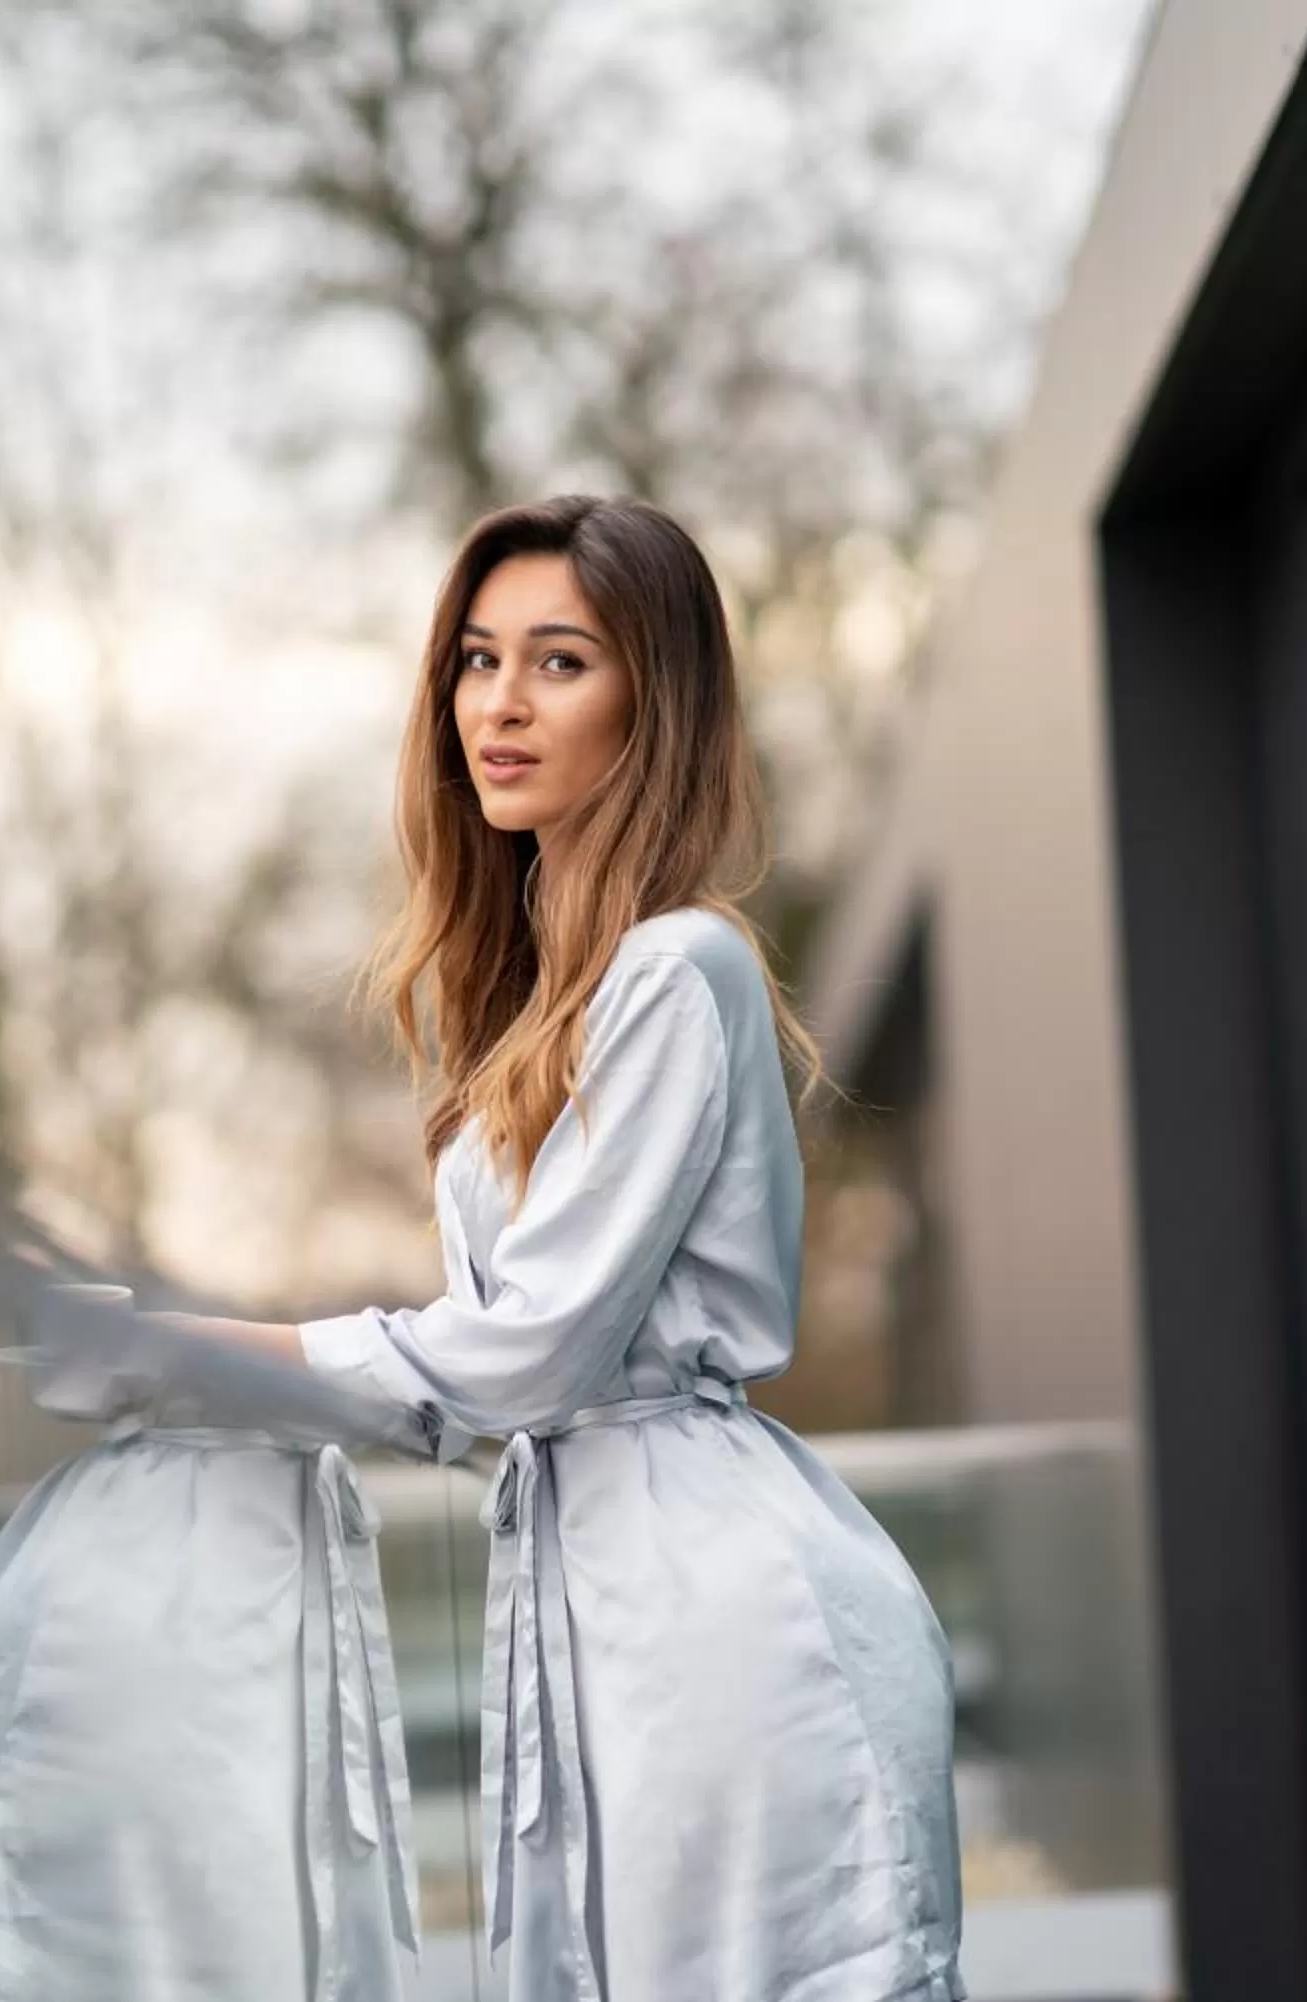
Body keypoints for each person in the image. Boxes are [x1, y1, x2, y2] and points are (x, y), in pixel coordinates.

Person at [154, 494, 968, 2001]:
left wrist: (215, 1360)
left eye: (560, 660)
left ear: (655, 704)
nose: (500, 703)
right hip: (592, 1609)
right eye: (475, 659)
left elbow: (525, 1351)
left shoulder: (680, 966)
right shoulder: (532, 1011)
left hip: (721, 1632)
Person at [0, 1288, 426, 2000]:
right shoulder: (151, 1569)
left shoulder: (99, 1547)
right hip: (182, 1600)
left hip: (188, 1582)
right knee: (200, 1903)